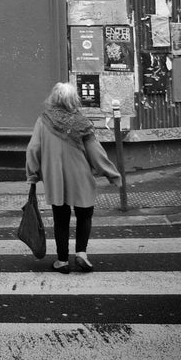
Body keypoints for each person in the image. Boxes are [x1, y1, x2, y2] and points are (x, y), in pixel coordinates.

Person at [25, 82, 123, 274]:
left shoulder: (43, 120)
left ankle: (62, 261)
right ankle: (81, 254)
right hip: (81, 178)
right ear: (73, 100)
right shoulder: (81, 122)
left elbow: (33, 148)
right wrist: (112, 174)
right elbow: (96, 153)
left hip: (55, 179)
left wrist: (32, 174)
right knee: (84, 215)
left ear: (54, 98)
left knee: (60, 218)